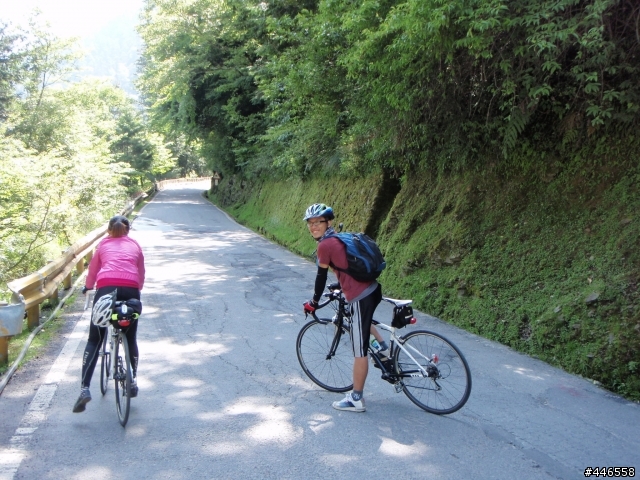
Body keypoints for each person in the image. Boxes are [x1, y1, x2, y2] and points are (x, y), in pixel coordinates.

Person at [302, 203, 388, 412]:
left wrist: (313, 303)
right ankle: (383, 348)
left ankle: (356, 399)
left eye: (318, 222)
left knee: (359, 350)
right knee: (359, 320)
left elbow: (320, 278)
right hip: (372, 289)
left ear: (328, 222)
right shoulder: (339, 237)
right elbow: (347, 266)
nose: (314, 226)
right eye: (310, 223)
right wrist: (340, 285)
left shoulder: (324, 245)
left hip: (361, 297)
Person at [73, 215, 145, 413]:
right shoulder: (135, 245)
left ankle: (85, 388)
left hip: (106, 288)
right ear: (127, 230)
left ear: (108, 230)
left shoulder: (103, 245)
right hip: (130, 289)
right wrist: (135, 289)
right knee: (130, 337)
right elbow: (140, 273)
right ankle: (132, 379)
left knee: (95, 339)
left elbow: (93, 270)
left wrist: (88, 286)